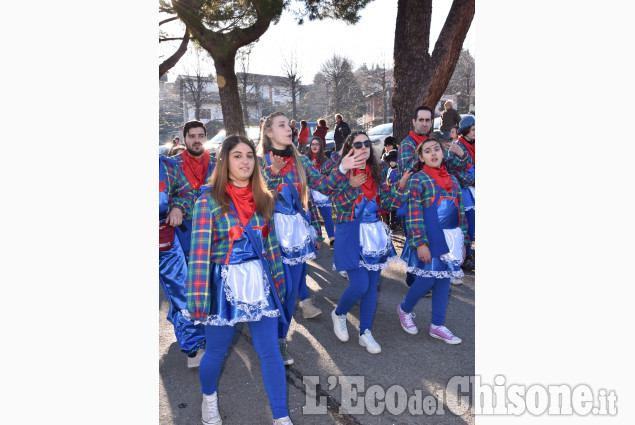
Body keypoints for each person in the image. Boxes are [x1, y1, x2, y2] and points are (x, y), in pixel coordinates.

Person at [184, 135, 294, 425]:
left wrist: (280, 288)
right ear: (225, 161)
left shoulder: (264, 198)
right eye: (237, 156)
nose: (245, 161)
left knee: (270, 351)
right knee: (217, 350)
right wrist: (198, 302)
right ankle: (209, 399)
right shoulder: (208, 201)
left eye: (249, 155)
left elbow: (272, 251)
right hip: (224, 286)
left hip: (259, 282)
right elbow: (198, 255)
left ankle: (281, 416)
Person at [327, 131, 412, 354]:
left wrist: (402, 186)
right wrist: (351, 183)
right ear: (349, 148)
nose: (364, 147)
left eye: (367, 143)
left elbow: (387, 201)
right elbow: (336, 201)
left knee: (372, 287)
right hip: (351, 233)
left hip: (374, 233)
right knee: (360, 285)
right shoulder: (341, 171)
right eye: (358, 144)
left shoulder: (378, 170)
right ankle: (339, 313)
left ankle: (365, 332)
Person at [257, 112, 330, 365]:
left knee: (290, 293)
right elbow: (254, 198)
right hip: (272, 234)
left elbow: (322, 187)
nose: (288, 129)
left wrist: (344, 170)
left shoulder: (302, 161)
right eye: (281, 125)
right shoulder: (258, 161)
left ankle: (281, 339)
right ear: (269, 133)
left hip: (297, 233)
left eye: (289, 125)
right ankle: (270, 338)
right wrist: (272, 173)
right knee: (282, 289)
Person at [397, 136, 468, 345]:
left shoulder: (453, 180)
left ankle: (437, 325)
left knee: (444, 279)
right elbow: (414, 213)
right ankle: (404, 308)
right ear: (421, 157)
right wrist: (420, 243)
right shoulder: (418, 180)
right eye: (428, 151)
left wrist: (464, 241)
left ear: (443, 153)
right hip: (430, 237)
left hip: (451, 238)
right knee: (427, 278)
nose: (434, 153)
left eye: (437, 149)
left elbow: (461, 212)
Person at [398, 106, 469, 288]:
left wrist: (461, 154)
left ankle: (437, 275)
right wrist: (424, 152)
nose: (424, 123)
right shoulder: (408, 144)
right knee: (415, 238)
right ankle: (414, 279)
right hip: (418, 197)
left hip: (439, 199)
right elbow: (407, 172)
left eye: (427, 120)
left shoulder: (434, 141)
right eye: (420, 120)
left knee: (437, 238)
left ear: (431, 122)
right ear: (414, 122)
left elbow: (455, 164)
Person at [159, 156, 206, 369]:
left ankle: (194, 345)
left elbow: (185, 193)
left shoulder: (166, 166)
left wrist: (177, 207)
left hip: (164, 239)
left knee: (182, 293)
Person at [166, 120, 217, 263]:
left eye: (201, 136)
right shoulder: (171, 165)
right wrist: (176, 206)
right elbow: (162, 200)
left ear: (206, 138)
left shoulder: (218, 164)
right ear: (184, 139)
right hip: (183, 234)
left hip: (214, 234)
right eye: (192, 136)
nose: (197, 140)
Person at [306, 136, 335, 250]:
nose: (314, 146)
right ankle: (315, 239)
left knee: (327, 217)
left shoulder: (325, 160)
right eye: (313, 144)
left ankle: (332, 240)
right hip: (310, 192)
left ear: (320, 146)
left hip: (322, 193)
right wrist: (310, 166)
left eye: (317, 144)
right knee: (312, 218)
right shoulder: (305, 159)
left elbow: (328, 176)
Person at [455, 115, 476, 271]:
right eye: (474, 129)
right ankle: (465, 256)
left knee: (473, 225)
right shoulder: (458, 147)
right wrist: (472, 181)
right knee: (467, 224)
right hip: (464, 192)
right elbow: (456, 172)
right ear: (466, 131)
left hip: (474, 190)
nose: (476, 132)